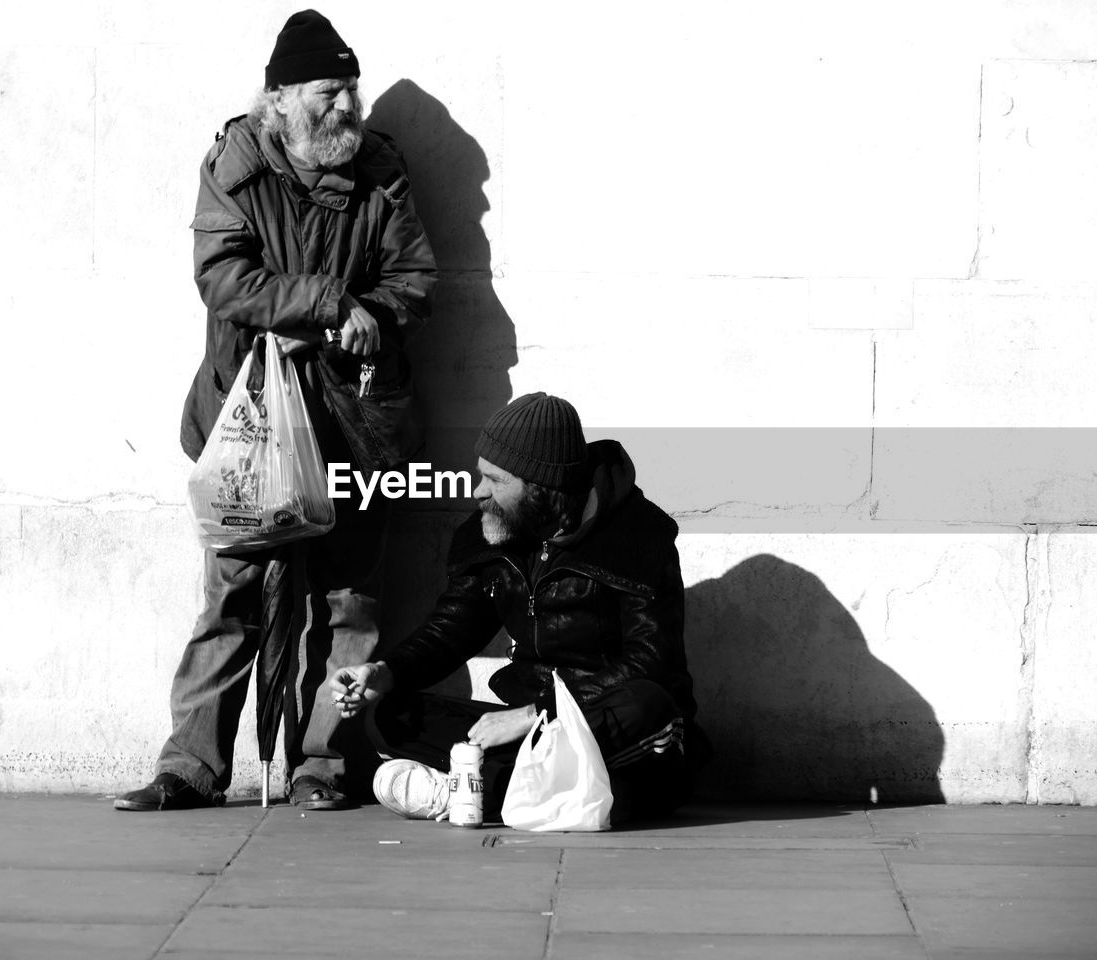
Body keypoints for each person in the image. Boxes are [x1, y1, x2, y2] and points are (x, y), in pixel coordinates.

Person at [116, 9, 435, 812]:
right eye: (329, 91)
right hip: (249, 427)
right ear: (281, 98)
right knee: (232, 596)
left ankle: (323, 765)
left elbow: (416, 281)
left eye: (351, 90)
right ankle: (190, 766)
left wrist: (362, 327)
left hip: (356, 427)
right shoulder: (235, 166)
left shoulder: (381, 173)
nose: (346, 106)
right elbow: (223, 277)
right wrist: (327, 304)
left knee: (349, 604)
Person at [330, 393, 711, 826]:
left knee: (647, 704)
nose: (478, 491)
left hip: (610, 729)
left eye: (496, 480)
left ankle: (469, 788)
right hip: (525, 729)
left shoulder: (639, 538)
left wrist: (537, 715)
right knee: (390, 712)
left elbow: (649, 662)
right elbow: (450, 629)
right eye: (480, 475)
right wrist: (386, 671)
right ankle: (498, 786)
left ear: (540, 487)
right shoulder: (492, 531)